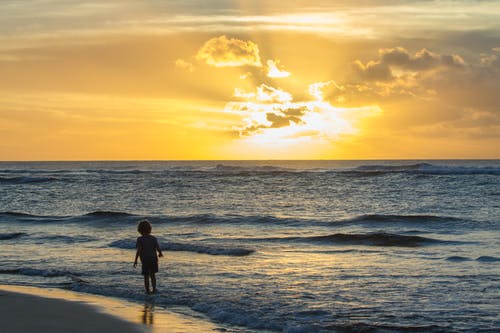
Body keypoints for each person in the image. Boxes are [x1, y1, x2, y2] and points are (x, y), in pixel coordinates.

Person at [133, 220, 163, 294]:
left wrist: (135, 260)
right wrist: (160, 253)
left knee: (146, 276)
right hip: (153, 258)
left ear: (139, 230)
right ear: (150, 229)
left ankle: (147, 290)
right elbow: (157, 247)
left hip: (145, 259)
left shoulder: (140, 239)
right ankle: (154, 289)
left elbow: (139, 250)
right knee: (153, 275)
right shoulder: (153, 238)